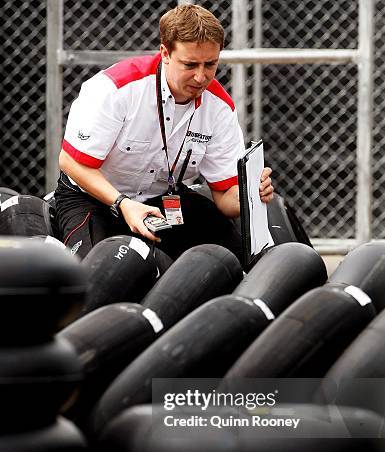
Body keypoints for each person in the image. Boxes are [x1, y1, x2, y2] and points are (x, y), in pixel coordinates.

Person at [54, 4, 274, 261]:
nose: (201, 77)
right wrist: (122, 204)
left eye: (210, 64)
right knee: (98, 272)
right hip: (93, 199)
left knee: (235, 256)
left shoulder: (219, 108)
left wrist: (250, 193)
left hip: (162, 202)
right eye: (190, 64)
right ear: (165, 53)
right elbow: (70, 162)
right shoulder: (116, 89)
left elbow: (226, 197)